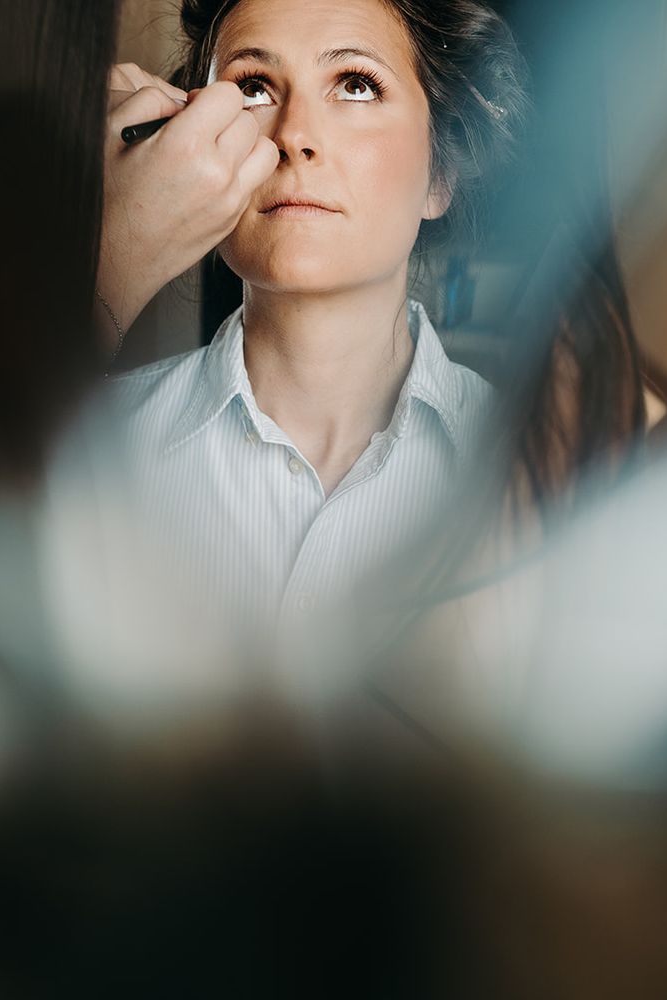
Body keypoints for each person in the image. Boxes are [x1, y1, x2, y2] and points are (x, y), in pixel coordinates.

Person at [60, 0, 534, 652]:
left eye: (356, 85)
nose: (295, 134)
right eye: (253, 88)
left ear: (440, 176)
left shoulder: (533, 478)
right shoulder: (80, 448)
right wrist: (107, 265)